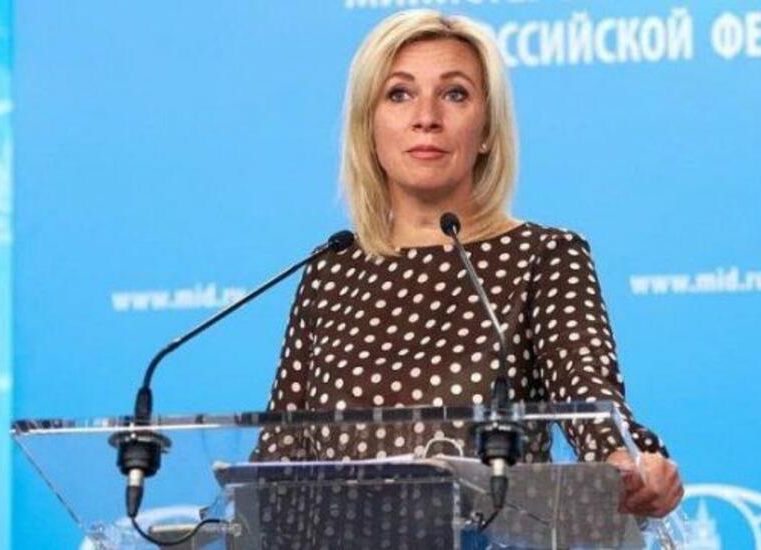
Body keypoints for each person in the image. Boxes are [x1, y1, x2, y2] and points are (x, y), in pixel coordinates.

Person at [253, 9, 683, 518]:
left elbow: (589, 398)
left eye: (454, 94)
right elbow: (278, 457)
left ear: (486, 130)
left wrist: (631, 463)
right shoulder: (331, 271)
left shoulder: (542, 256)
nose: (426, 117)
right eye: (399, 94)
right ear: (368, 127)